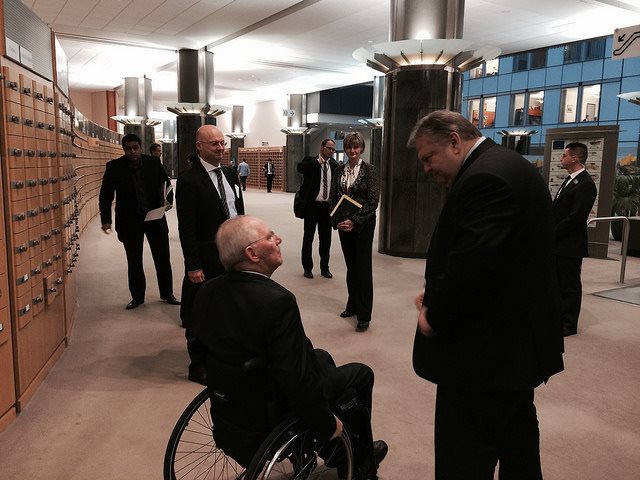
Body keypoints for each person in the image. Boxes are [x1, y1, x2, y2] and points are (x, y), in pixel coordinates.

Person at [408, 111, 564, 480]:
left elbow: (473, 267)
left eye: (428, 157)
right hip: (514, 348)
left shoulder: (485, 178)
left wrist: (434, 312)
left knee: (464, 457)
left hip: (485, 358)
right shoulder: (508, 164)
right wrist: (438, 285)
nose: (426, 169)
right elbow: (498, 257)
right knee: (517, 446)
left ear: (454, 141)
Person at [192, 215, 388, 479]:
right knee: (362, 374)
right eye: (270, 236)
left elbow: (199, 351)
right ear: (252, 254)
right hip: (271, 403)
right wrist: (326, 423)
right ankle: (358, 462)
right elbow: (295, 379)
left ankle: (331, 450)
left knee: (322, 356)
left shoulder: (208, 290)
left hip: (233, 401)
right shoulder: (277, 301)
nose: (279, 239)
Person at [176, 125, 244, 385]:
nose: (220, 147)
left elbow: (237, 210)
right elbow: (187, 228)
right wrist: (193, 265)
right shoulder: (189, 180)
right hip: (206, 257)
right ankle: (198, 365)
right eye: (214, 143)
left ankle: (223, 354)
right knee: (200, 312)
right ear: (199, 146)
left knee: (228, 307)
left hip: (233, 252)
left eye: (222, 143)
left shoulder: (229, 173)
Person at [98, 133, 180, 309]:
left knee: (162, 258)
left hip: (154, 217)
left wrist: (168, 202)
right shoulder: (114, 167)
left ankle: (167, 293)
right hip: (130, 221)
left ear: (140, 147)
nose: (132, 152)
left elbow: (166, 184)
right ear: (124, 149)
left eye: (135, 148)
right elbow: (105, 195)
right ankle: (137, 297)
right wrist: (106, 220)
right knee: (134, 260)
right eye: (128, 149)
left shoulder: (153, 163)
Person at [329, 132, 380, 332]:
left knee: (363, 267)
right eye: (349, 147)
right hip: (344, 224)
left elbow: (373, 201)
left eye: (356, 147)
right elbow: (333, 197)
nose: (352, 151)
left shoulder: (370, 170)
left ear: (361, 149)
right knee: (351, 266)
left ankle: (364, 314)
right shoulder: (339, 170)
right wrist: (337, 220)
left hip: (363, 225)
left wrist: (354, 221)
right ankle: (352, 304)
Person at [552, 142, 597, 336]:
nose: (561, 158)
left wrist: (551, 232)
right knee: (558, 283)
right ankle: (558, 318)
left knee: (569, 285)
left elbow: (575, 218)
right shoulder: (571, 180)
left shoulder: (586, 184)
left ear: (574, 158)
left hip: (570, 244)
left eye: (564, 155)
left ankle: (568, 324)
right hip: (559, 243)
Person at [297, 139, 339, 279]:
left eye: (333, 149)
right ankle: (307, 268)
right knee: (308, 238)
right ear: (322, 148)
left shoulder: (334, 165)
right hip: (312, 206)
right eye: (329, 148)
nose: (331, 151)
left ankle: (324, 268)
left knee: (326, 240)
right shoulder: (311, 161)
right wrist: (318, 162)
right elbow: (300, 168)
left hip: (327, 208)